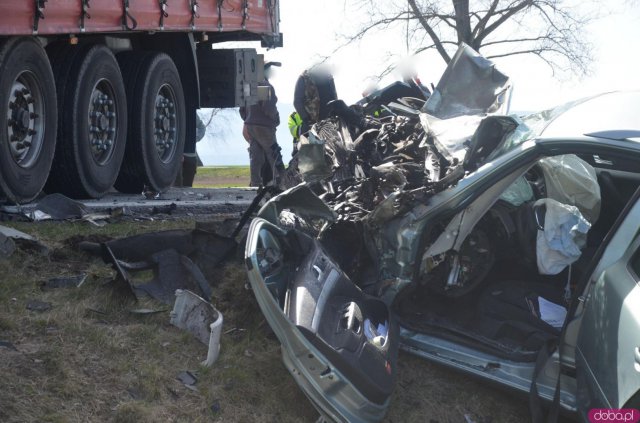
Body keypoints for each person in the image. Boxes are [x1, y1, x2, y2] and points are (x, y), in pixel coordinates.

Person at [240, 62, 284, 187]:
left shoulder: (249, 86)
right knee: (274, 154)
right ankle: (281, 183)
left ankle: (255, 183)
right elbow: (269, 108)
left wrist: (248, 119)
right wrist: (276, 119)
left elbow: (242, 108)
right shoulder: (266, 86)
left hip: (251, 125)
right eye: (269, 70)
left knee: (256, 155)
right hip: (264, 126)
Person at [293, 64, 338, 136]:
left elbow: (334, 95)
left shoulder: (328, 76)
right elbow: (297, 101)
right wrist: (306, 119)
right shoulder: (303, 78)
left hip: (331, 119)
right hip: (313, 122)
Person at [175, 113, 206, 187]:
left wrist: (196, 138)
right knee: (176, 186)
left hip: (190, 155)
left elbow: (202, 127)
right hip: (175, 156)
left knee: (188, 186)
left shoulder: (191, 113)